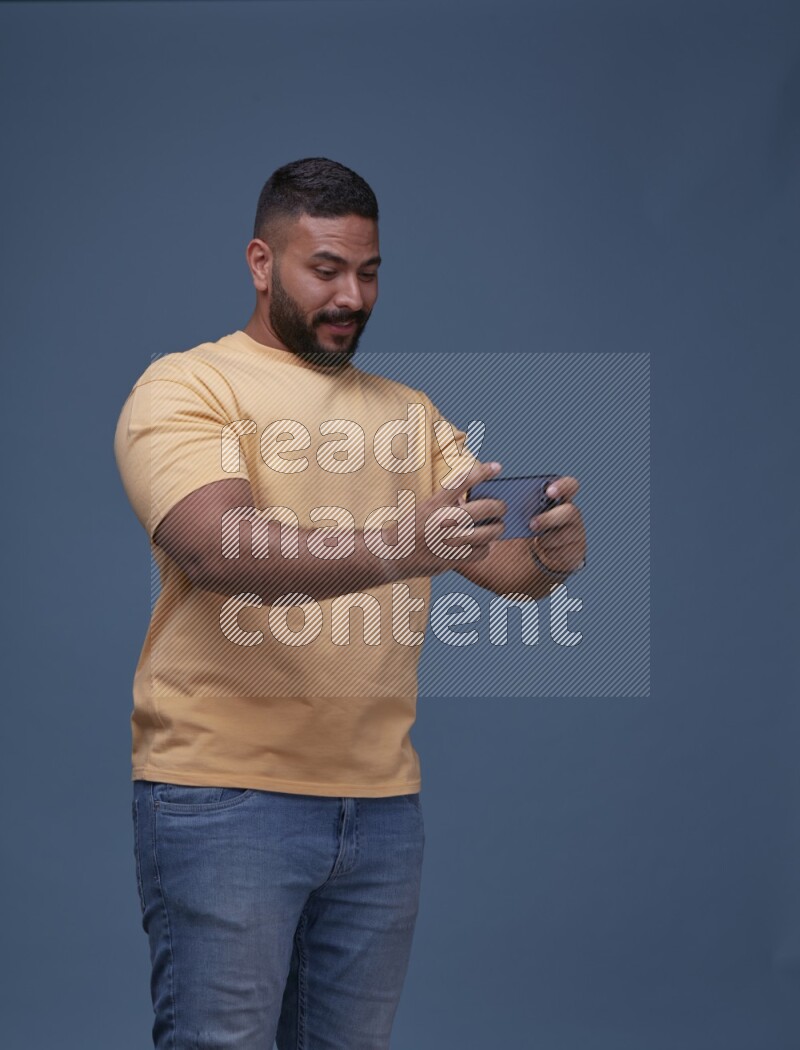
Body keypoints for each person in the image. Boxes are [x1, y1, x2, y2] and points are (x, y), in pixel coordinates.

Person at [114, 156, 586, 1050]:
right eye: (324, 269)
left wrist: (553, 557)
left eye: (367, 272)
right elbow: (217, 547)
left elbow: (497, 565)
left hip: (379, 811)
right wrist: (397, 544)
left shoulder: (408, 413)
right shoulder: (186, 387)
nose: (352, 295)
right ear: (261, 262)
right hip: (222, 799)